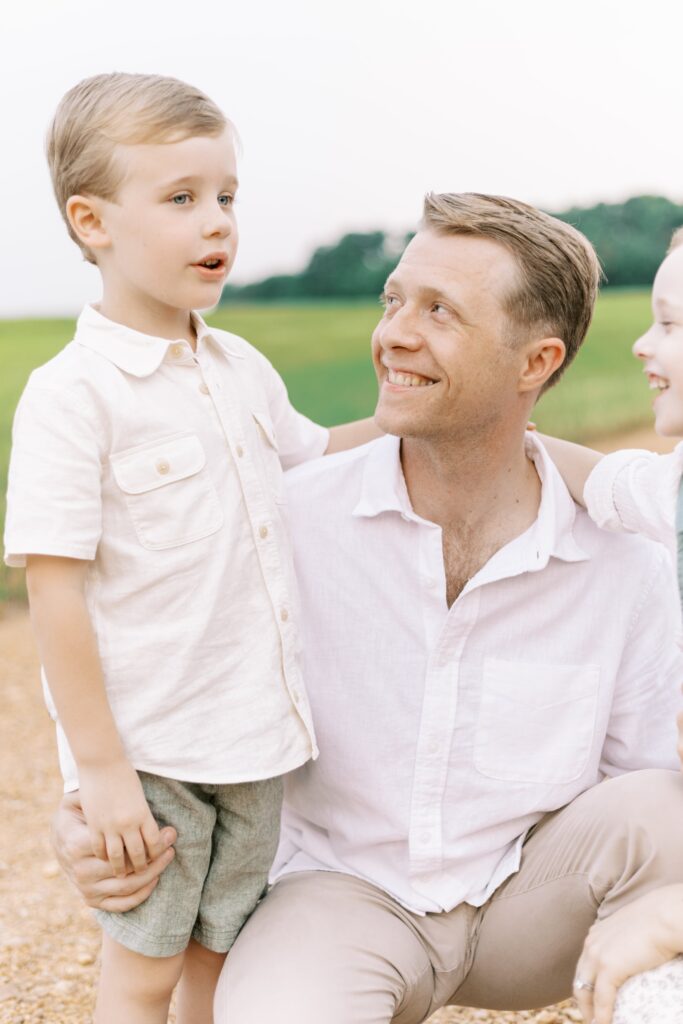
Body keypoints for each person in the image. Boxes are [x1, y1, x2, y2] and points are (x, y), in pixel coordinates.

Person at [53, 193, 683, 1024]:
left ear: (534, 362)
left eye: (439, 312)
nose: (394, 333)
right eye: (393, 300)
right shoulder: (285, 522)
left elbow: (647, 785)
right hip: (338, 898)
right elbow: (140, 647)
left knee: (659, 808)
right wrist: (84, 809)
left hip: (526, 902)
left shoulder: (622, 561)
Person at [3, 72, 379, 1024]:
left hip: (254, 740)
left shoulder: (238, 366)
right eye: (181, 199)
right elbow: (55, 596)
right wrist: (103, 774)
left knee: (221, 960)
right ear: (92, 222)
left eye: (225, 197)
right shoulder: (72, 395)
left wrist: (418, 417)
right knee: (141, 975)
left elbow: (317, 454)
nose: (217, 222)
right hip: (155, 752)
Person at [538, 226, 683, 1024]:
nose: (639, 344)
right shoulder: (676, 491)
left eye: (667, 324)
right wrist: (509, 441)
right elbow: (603, 481)